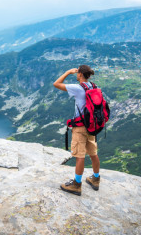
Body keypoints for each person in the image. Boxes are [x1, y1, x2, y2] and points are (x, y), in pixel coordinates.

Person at [53, 65, 100, 196]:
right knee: (93, 153)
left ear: (79, 74)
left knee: (80, 156)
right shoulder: (94, 87)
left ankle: (76, 185)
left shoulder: (78, 88)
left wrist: (68, 71)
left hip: (80, 128)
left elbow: (56, 83)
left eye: (77, 72)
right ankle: (95, 179)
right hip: (92, 126)